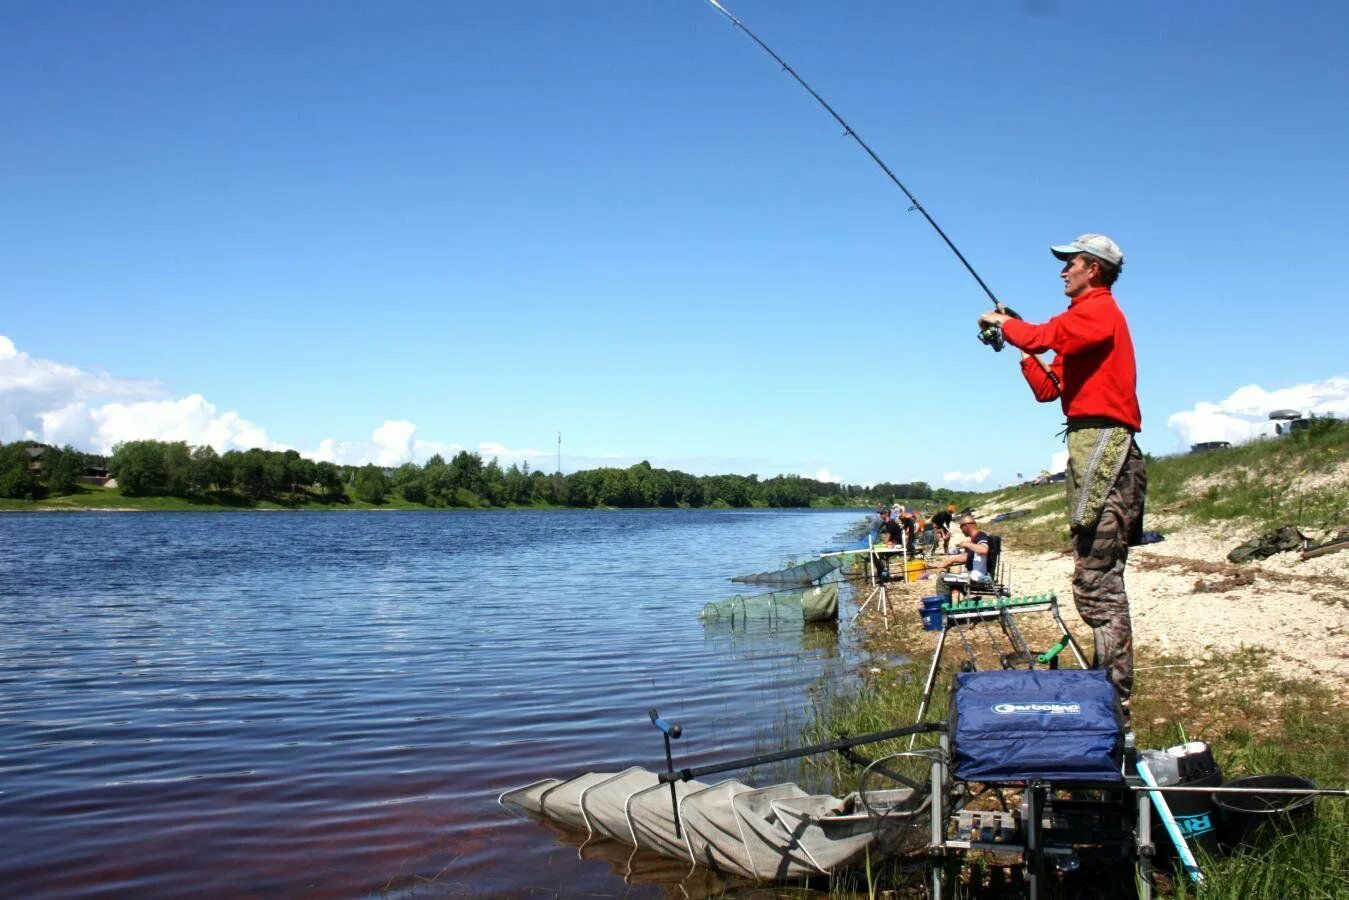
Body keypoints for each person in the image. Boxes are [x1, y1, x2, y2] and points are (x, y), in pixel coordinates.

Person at [978, 233, 1146, 717]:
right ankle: (1109, 688)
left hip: (1106, 451)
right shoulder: (1081, 324)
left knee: (1097, 580)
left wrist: (1011, 326)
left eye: (1069, 263)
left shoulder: (1099, 310)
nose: (1062, 271)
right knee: (1097, 572)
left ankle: (1114, 698)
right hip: (1092, 447)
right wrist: (1020, 344)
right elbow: (1048, 389)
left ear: (1093, 267)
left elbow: (1046, 333)